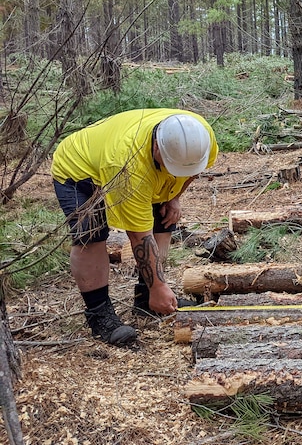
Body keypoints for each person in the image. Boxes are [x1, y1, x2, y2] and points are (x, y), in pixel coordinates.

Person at [51, 109, 218, 346]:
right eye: (173, 167)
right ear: (158, 148)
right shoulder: (128, 167)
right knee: (92, 235)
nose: (178, 174)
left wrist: (174, 197)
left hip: (133, 161)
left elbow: (193, 170)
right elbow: (139, 235)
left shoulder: (201, 136)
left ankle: (146, 298)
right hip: (79, 171)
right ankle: (100, 314)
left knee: (163, 220)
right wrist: (159, 285)